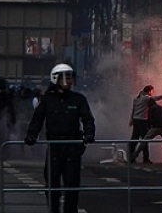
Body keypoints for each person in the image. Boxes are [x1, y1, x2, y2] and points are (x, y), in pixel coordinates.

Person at [24, 63, 96, 213]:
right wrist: (31, 135)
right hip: (54, 147)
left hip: (72, 147)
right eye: (65, 77)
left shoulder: (78, 99)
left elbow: (88, 119)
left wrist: (89, 134)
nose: (69, 81)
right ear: (55, 78)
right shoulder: (47, 100)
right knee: (52, 184)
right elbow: (37, 119)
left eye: (70, 77)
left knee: (72, 185)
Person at [128, 85, 162, 162]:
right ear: (149, 91)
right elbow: (158, 98)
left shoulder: (136, 99)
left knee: (134, 138)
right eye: (152, 91)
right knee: (144, 139)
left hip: (136, 120)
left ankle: (131, 156)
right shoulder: (147, 98)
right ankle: (145, 158)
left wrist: (131, 120)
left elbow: (133, 110)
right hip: (143, 120)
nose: (152, 93)